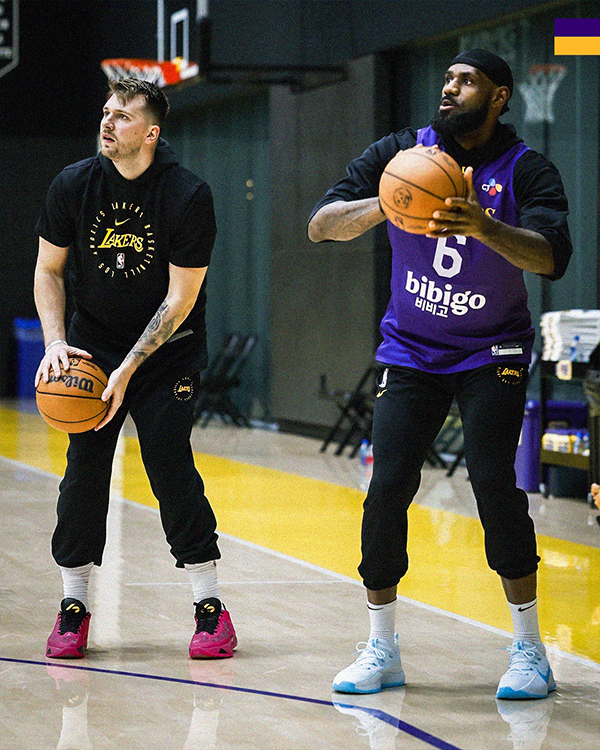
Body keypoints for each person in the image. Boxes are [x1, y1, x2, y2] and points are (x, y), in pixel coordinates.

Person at [308, 49, 572, 699]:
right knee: (387, 485)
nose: (450, 88)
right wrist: (390, 201)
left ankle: (531, 649)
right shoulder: (401, 152)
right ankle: (381, 647)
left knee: (492, 481)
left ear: (500, 97)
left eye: (467, 81)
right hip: (412, 350)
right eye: (448, 78)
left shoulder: (526, 169)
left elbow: (551, 258)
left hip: (493, 349)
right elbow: (320, 226)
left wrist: (485, 226)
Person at [34, 78, 237, 661]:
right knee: (84, 471)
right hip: (91, 347)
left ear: (151, 132)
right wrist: (56, 343)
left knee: (168, 464)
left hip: (167, 351)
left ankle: (210, 608)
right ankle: (73, 605)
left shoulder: (187, 195)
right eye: (106, 111)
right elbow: (48, 271)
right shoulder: (74, 184)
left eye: (122, 116)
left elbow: (179, 299)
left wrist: (126, 371)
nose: (108, 122)